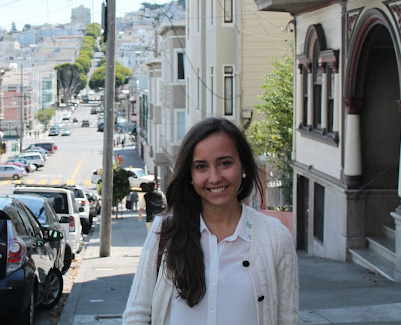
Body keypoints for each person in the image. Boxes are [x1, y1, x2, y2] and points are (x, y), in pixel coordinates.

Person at [124, 117, 299, 325]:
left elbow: (287, 320)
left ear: (243, 165)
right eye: (201, 167)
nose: (215, 177)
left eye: (225, 163)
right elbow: (137, 316)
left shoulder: (276, 239)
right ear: (189, 174)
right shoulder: (164, 234)